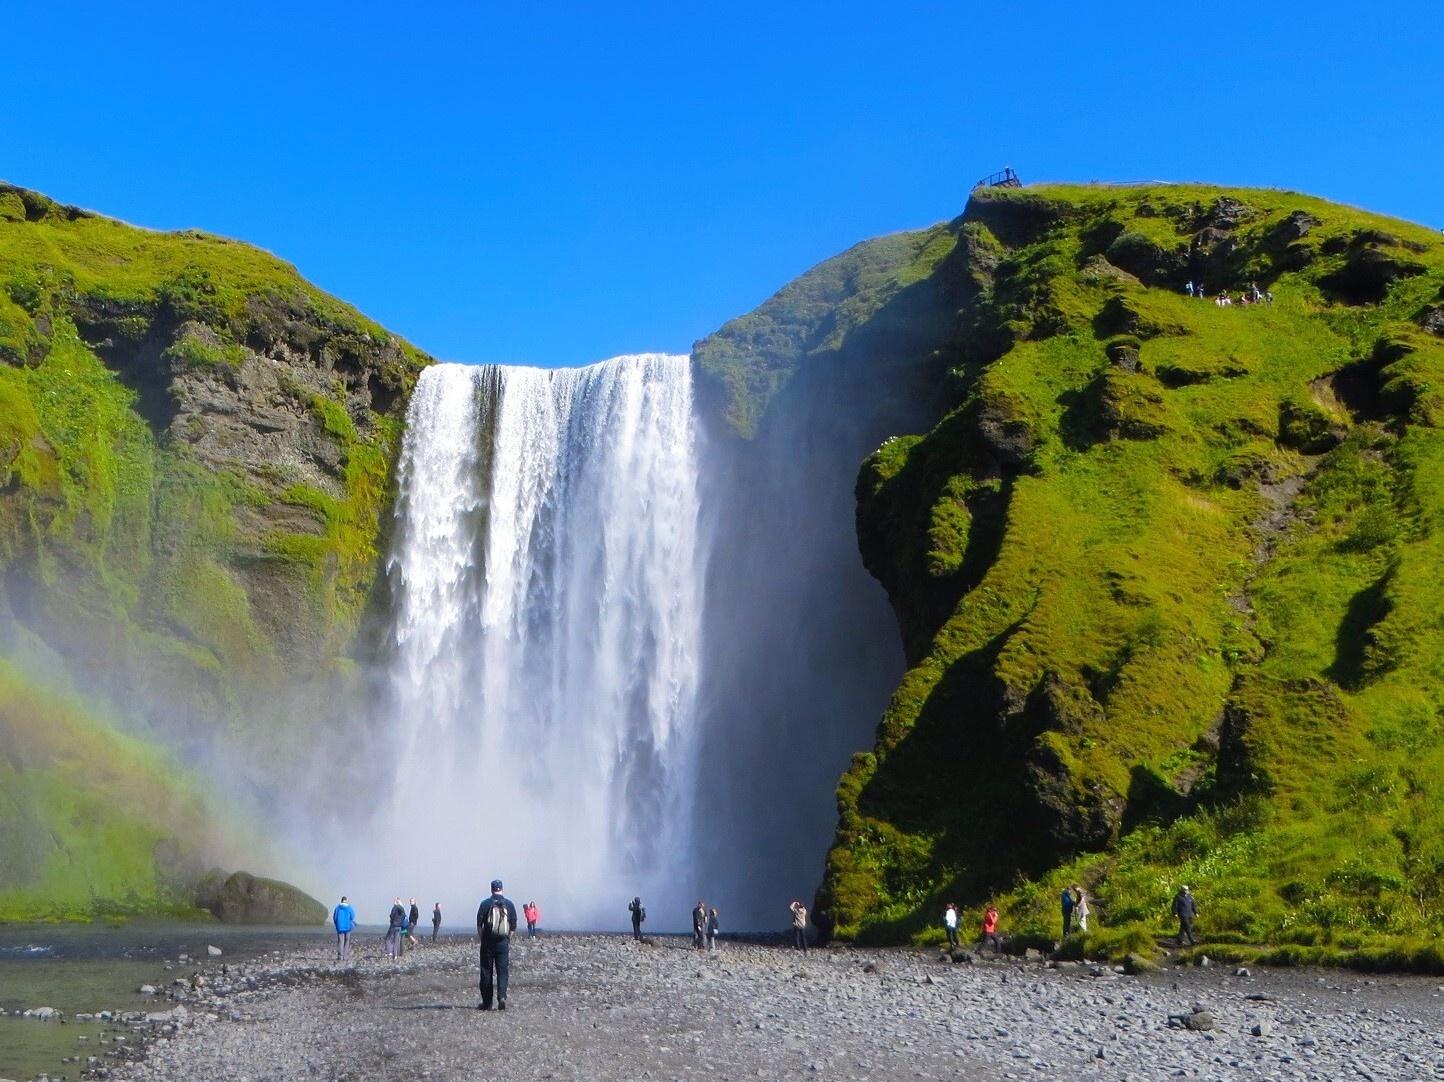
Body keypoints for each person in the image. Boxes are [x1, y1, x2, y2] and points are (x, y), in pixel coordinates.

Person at [476, 878, 518, 1010]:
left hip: (488, 942)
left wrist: (483, 938)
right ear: (502, 889)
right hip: (503, 943)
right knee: (502, 971)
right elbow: (513, 926)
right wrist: (507, 938)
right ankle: (502, 996)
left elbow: (479, 925)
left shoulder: (485, 904)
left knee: (486, 971)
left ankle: (487, 1003)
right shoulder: (509, 905)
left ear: (491, 889)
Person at [332, 895, 356, 961]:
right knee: (347, 940)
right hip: (348, 926)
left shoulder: (337, 908)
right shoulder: (349, 907)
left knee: (340, 941)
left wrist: (336, 924)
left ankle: (340, 956)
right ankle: (345, 956)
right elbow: (353, 916)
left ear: (341, 900)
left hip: (340, 927)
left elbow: (334, 917)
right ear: (346, 900)